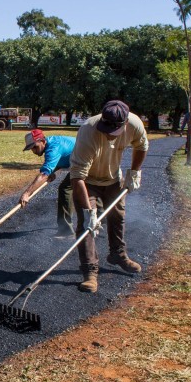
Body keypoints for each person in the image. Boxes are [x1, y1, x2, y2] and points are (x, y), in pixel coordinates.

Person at [70, 100, 149, 293]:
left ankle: (118, 254)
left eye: (111, 131)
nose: (107, 134)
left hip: (113, 179)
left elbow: (141, 146)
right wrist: (89, 212)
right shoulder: (88, 132)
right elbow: (77, 178)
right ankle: (90, 272)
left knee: (117, 215)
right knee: (87, 226)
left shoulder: (135, 124)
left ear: (124, 125)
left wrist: (134, 172)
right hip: (87, 182)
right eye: (105, 129)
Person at [19, 129, 77, 238]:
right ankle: (100, 217)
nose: (34, 151)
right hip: (83, 158)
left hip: (88, 160)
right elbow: (64, 156)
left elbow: (43, 175)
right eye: (31, 149)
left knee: (65, 189)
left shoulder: (53, 149)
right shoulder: (52, 142)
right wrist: (53, 171)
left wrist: (27, 194)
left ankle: (66, 232)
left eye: (35, 147)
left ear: (43, 141)